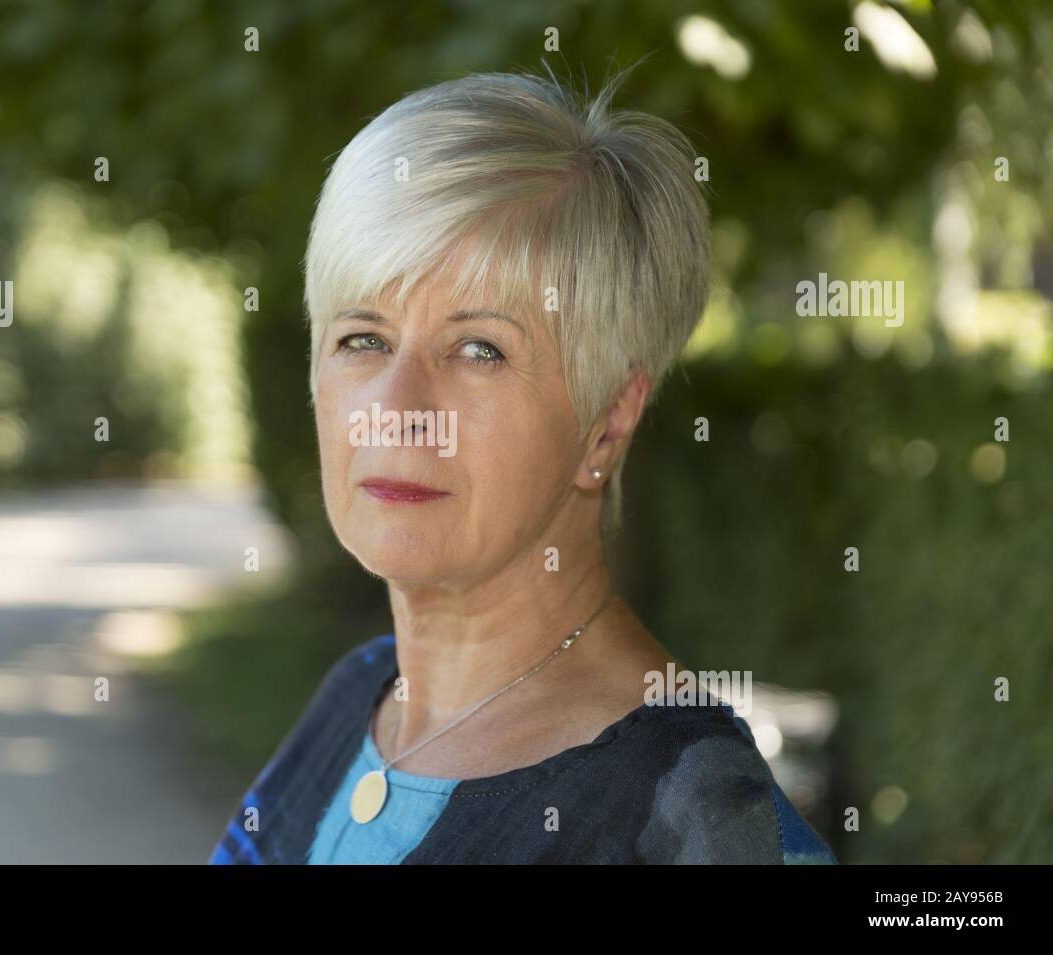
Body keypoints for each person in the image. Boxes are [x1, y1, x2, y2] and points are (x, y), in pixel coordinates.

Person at [209, 63, 838, 864]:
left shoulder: (698, 817)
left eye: (480, 349)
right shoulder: (360, 693)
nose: (398, 410)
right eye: (362, 338)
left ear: (608, 422)